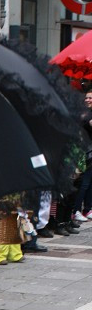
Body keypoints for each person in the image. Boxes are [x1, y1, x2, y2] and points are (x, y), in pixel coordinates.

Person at [72, 89, 92, 222]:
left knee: (90, 183)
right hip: (84, 152)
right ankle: (76, 210)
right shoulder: (83, 113)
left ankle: (88, 209)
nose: (88, 100)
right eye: (87, 97)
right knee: (83, 183)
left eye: (91, 98)